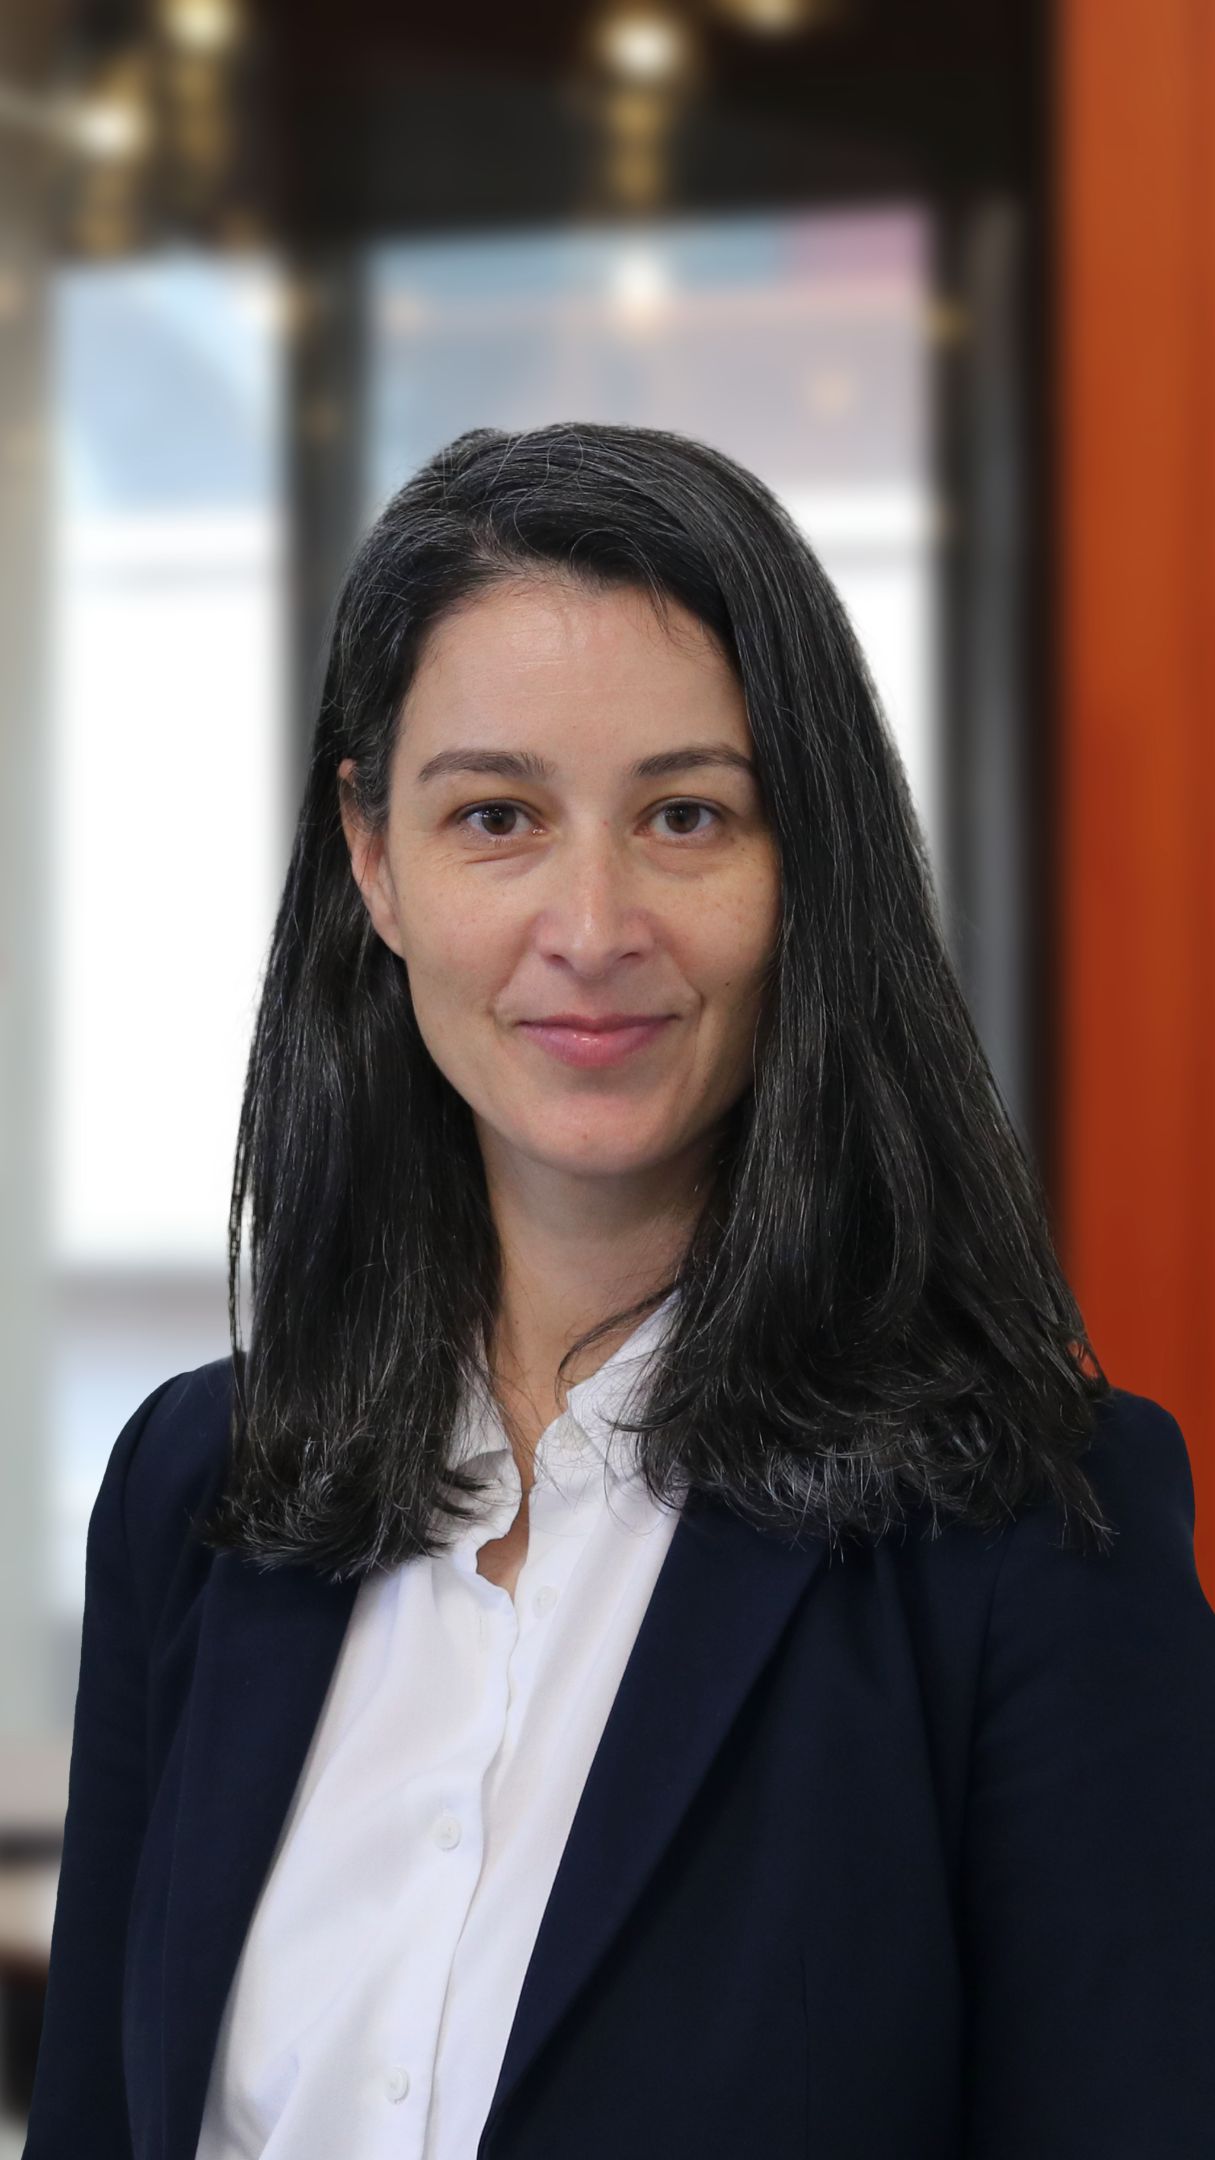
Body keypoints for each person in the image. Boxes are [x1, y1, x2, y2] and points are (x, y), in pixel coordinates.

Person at [23, 420, 1215, 2160]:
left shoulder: (1035, 1531)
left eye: (686, 815)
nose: (593, 922)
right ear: (375, 861)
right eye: (495, 816)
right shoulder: (199, 1491)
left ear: (802, 867)